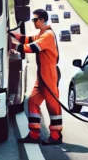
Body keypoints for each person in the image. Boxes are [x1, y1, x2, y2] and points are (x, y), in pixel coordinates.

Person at [11, 8, 62, 145]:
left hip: (49, 75)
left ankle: (56, 135)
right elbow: (27, 39)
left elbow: (31, 47)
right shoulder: (42, 33)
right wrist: (11, 34)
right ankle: (34, 135)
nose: (33, 21)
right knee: (33, 102)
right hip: (42, 76)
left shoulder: (48, 35)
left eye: (34, 19)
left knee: (53, 106)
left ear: (42, 20)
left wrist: (14, 46)